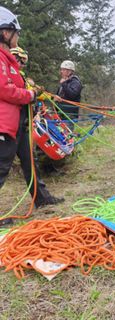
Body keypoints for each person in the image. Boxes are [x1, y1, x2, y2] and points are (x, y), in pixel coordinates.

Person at [0, 7, 64, 222]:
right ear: (5, 32)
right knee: (1, 168)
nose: (18, 37)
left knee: (30, 162)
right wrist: (29, 94)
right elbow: (5, 90)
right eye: (16, 32)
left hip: (17, 122)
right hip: (4, 124)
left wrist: (34, 92)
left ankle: (42, 198)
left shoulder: (7, 60)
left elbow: (14, 85)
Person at [54, 60, 82, 130]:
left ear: (69, 71)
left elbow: (73, 95)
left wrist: (64, 84)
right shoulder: (64, 82)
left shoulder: (75, 82)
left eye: (63, 70)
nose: (61, 71)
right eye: (61, 69)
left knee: (67, 135)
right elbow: (60, 96)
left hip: (69, 114)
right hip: (60, 113)